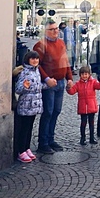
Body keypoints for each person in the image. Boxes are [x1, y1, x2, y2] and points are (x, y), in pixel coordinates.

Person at [33, 18, 72, 154]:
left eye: (57, 29)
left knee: (56, 111)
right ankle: (43, 143)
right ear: (46, 31)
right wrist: (47, 79)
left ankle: (50, 139)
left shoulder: (61, 43)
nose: (56, 31)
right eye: (52, 29)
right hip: (49, 84)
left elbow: (65, 61)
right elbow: (36, 65)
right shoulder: (40, 45)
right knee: (48, 112)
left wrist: (70, 78)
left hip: (60, 82)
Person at [13, 50, 43, 163]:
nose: (35, 60)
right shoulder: (24, 72)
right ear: (28, 60)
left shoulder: (36, 71)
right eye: (33, 59)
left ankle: (27, 148)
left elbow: (37, 86)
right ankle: (21, 151)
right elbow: (18, 88)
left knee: (30, 128)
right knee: (24, 129)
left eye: (36, 58)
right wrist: (24, 86)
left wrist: (47, 85)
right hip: (26, 104)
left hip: (34, 105)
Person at [66, 64, 100, 145]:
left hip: (91, 106)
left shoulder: (93, 82)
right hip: (83, 107)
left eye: (86, 74)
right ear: (80, 75)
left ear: (89, 75)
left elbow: (99, 86)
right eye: (82, 74)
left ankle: (92, 137)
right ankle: (83, 138)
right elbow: (72, 91)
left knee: (91, 123)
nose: (84, 76)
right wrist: (68, 87)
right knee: (83, 123)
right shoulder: (78, 84)